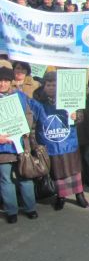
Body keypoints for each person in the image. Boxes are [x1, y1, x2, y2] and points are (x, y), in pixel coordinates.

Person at [34, 72, 89, 210]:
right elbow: (33, 121)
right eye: (48, 85)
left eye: (54, 85)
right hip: (50, 142)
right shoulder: (37, 101)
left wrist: (75, 115)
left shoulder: (68, 97)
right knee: (57, 171)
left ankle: (79, 194)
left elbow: (80, 116)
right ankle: (61, 196)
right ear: (44, 86)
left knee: (74, 169)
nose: (51, 87)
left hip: (68, 141)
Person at [0, 65, 39, 223]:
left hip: (21, 145)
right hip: (3, 148)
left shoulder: (21, 96)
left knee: (25, 176)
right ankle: (11, 211)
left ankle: (30, 208)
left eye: (5, 80)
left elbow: (29, 115)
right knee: (6, 179)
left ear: (10, 82)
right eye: (0, 80)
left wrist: (25, 130)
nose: (2, 83)